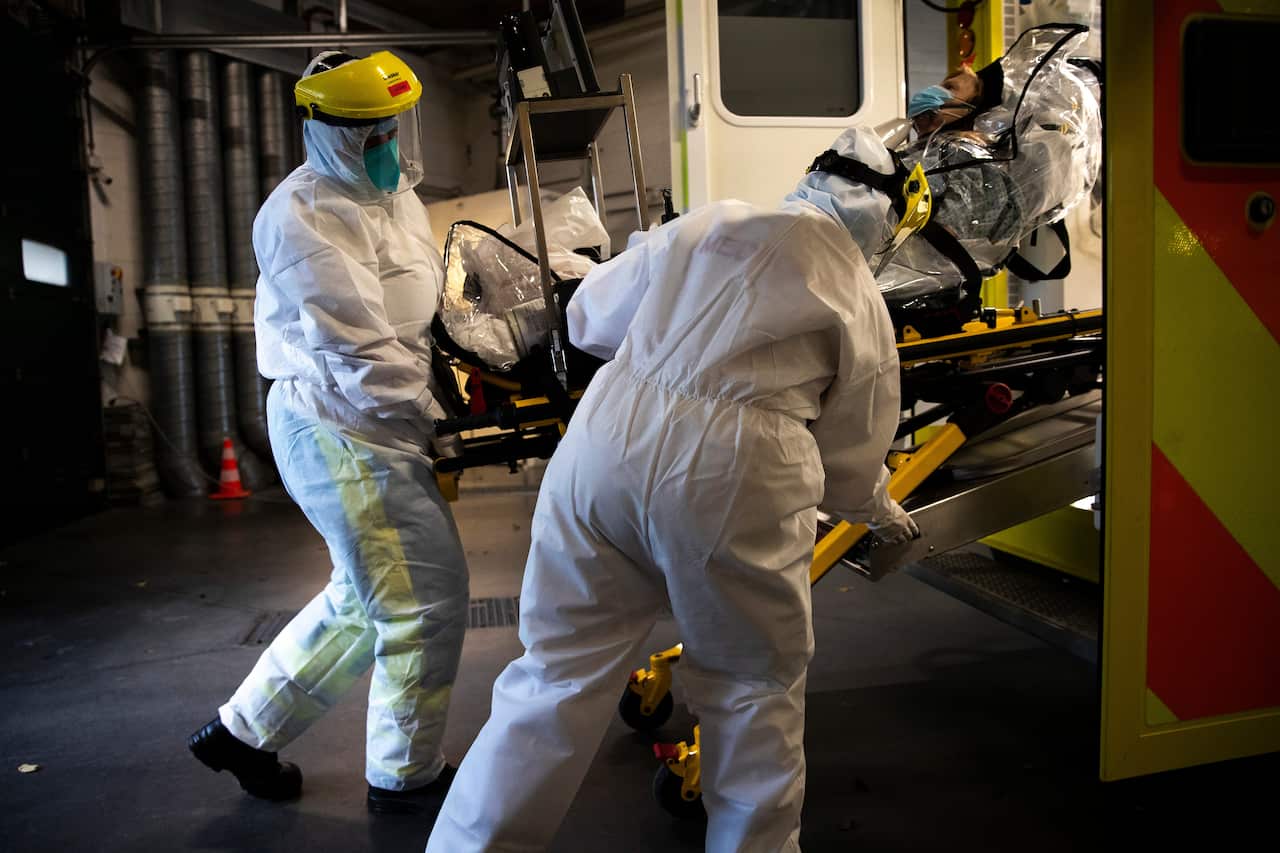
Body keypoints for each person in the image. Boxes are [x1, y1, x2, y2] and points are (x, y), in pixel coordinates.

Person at [425, 126, 918, 853]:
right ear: (885, 221)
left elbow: (588, 316)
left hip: (608, 439)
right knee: (751, 691)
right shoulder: (857, 291)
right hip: (735, 472)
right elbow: (853, 451)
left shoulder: (713, 222)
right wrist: (876, 508)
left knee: (553, 677)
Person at [187, 50, 469, 816]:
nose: (386, 146)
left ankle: (242, 732)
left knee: (362, 598)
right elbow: (360, 351)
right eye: (368, 135)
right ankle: (405, 776)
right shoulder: (300, 215)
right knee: (425, 601)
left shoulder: (396, 198)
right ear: (324, 130)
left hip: (383, 421)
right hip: (342, 432)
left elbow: (416, 310)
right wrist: (443, 417)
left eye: (392, 129)